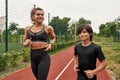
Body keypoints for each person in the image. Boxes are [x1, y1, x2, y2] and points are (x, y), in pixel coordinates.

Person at [23, 7, 56, 80]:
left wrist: (50, 44)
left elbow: (53, 38)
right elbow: (24, 43)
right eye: (38, 14)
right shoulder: (28, 29)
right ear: (33, 17)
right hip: (33, 58)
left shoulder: (48, 28)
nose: (40, 16)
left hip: (43, 57)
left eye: (42, 14)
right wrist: (27, 43)